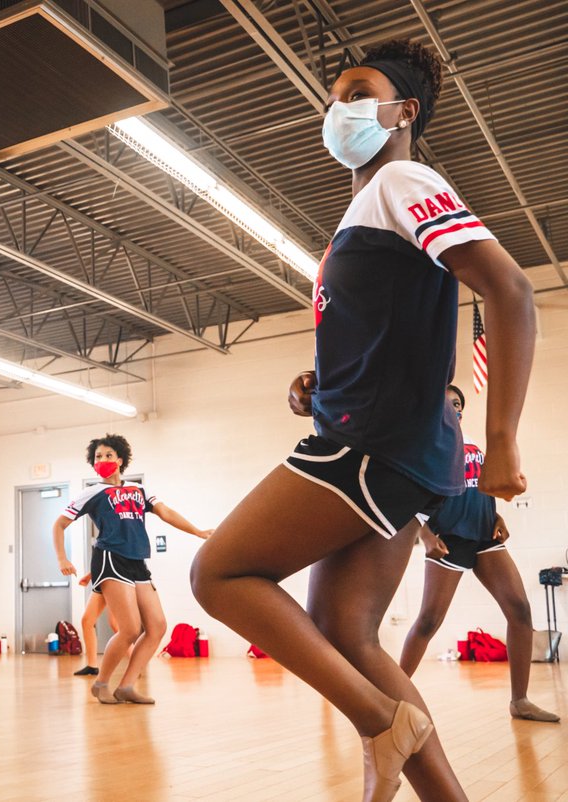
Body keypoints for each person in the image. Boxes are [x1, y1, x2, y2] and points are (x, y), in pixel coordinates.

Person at [189, 39, 535, 802]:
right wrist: (321, 380)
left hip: (372, 446)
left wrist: (504, 441)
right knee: (349, 632)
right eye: (334, 95)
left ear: (403, 112)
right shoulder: (361, 213)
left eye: (356, 92)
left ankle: (381, 719)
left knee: (216, 572)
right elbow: (397, 324)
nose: (337, 108)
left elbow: (509, 291)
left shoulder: (400, 179)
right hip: (384, 439)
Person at [399, 386, 557, 723]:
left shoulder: (473, 442)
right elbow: (407, 501)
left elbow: (480, 486)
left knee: (520, 610)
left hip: (485, 534)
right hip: (448, 537)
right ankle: (392, 696)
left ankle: (520, 700)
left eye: (457, 403)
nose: (453, 408)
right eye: (445, 403)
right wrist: (424, 535)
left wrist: (497, 514)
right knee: (429, 621)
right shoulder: (424, 446)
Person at [53, 434, 211, 704]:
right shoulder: (91, 492)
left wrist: (197, 531)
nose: (102, 460)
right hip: (110, 557)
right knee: (129, 628)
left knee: (158, 626)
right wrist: (62, 558)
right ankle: (101, 682)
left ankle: (126, 686)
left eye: (107, 455)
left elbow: (167, 512)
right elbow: (59, 525)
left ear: (120, 460)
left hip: (137, 561)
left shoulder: (139, 490)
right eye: (97, 457)